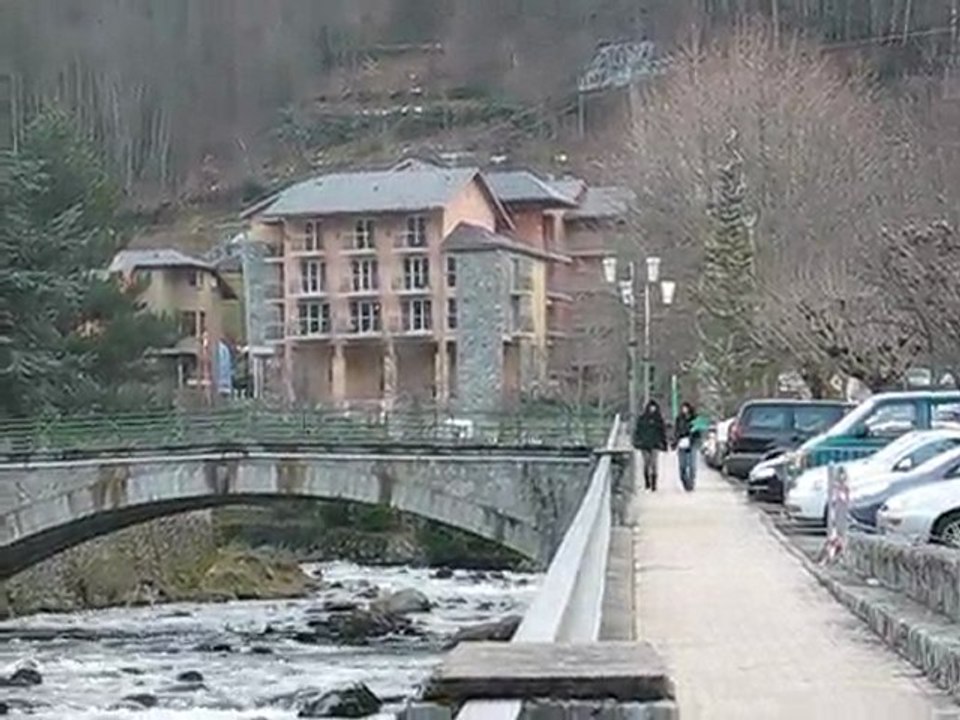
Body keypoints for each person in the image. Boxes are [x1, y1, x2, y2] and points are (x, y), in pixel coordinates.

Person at [633, 400, 668, 491]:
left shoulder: (659, 419)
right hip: (644, 444)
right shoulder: (642, 419)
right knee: (646, 464)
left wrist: (664, 443)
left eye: (654, 407)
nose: (652, 409)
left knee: (654, 464)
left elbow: (662, 432)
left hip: (655, 444)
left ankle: (653, 483)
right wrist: (637, 441)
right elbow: (637, 431)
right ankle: (647, 482)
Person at [674, 402, 701, 491]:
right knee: (682, 465)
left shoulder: (695, 418)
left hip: (692, 443)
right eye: (683, 408)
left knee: (692, 465)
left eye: (685, 408)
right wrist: (676, 440)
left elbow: (698, 431)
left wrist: (694, 437)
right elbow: (676, 431)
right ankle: (685, 481)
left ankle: (691, 483)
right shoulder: (679, 419)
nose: (684, 410)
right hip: (682, 443)